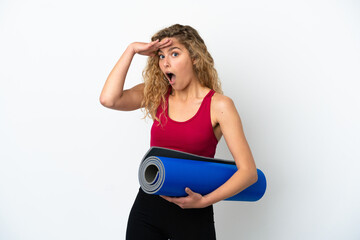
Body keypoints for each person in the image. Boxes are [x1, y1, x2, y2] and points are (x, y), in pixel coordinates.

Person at [100, 24, 258, 240]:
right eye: (161, 55)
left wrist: (204, 201)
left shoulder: (219, 105)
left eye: (174, 53)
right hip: (148, 208)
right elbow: (109, 99)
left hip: (193, 212)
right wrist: (132, 50)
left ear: (194, 57)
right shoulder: (156, 94)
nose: (166, 62)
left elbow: (248, 172)